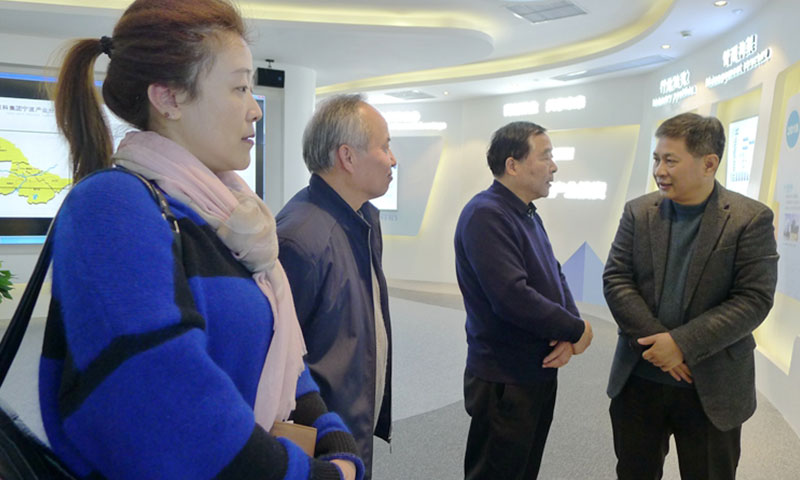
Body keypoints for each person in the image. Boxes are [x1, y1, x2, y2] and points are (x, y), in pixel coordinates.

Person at [39, 1, 363, 478]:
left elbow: (274, 351)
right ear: (168, 98)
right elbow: (166, 404)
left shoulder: (229, 214)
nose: (255, 109)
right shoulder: (113, 206)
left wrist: (331, 434)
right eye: (239, 87)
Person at [604, 112, 779, 479]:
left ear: (709, 164)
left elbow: (753, 299)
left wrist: (681, 344)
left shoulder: (750, 219)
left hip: (713, 386)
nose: (659, 170)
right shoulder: (638, 211)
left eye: (670, 160)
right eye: (656, 159)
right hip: (640, 378)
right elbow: (617, 279)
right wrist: (661, 345)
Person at [454, 121, 593, 480]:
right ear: (512, 165)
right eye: (545, 157)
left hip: (533, 372)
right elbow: (511, 296)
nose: (554, 167)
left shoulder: (525, 212)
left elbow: (553, 272)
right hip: (505, 379)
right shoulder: (486, 214)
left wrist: (570, 327)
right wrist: (577, 330)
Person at [276, 94, 394, 479]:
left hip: (350, 430)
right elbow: (277, 363)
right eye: (385, 146)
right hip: (323, 445)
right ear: (347, 156)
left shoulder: (362, 219)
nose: (392, 159)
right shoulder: (301, 238)